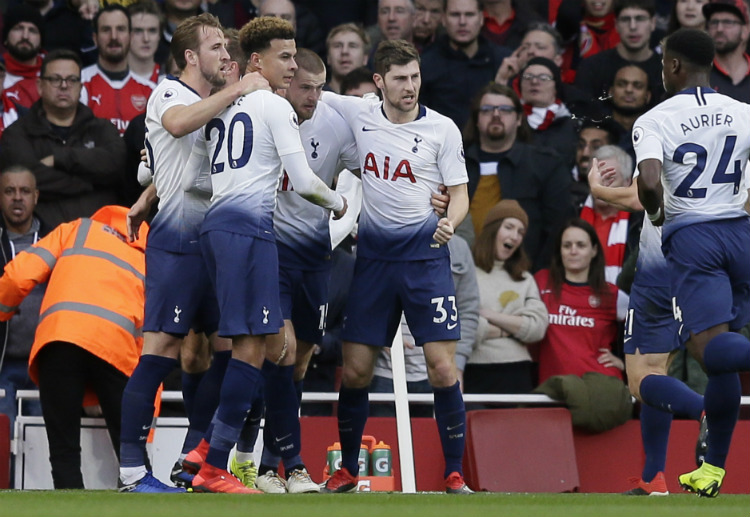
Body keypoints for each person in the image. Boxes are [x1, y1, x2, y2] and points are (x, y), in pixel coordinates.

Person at [185, 16, 346, 495]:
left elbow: (195, 178)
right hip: (249, 233)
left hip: (217, 227)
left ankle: (204, 454)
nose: (293, 67)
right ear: (255, 60)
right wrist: (341, 204)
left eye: (295, 57)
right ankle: (212, 462)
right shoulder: (275, 109)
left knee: (253, 347)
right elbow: (305, 181)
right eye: (285, 57)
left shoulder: (222, 108)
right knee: (253, 350)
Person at [117, 13, 268, 494]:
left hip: (216, 247)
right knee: (160, 350)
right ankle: (131, 471)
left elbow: (184, 164)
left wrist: (150, 190)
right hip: (177, 244)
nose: (227, 55)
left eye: (228, 47)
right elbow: (178, 127)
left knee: (223, 348)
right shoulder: (170, 93)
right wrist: (238, 88)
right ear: (190, 56)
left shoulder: (214, 105)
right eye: (217, 47)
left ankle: (195, 459)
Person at [318, 39, 472, 495]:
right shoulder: (358, 113)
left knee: (443, 369)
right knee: (358, 369)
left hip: (426, 261)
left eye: (416, 77)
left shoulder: (443, 129)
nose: (411, 87)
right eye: (401, 79)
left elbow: (459, 192)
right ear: (379, 82)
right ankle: (347, 469)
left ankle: (453, 473)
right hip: (375, 262)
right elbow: (309, 89)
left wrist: (451, 220)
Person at [227, 47, 360, 495]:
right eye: (306, 87)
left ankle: (266, 461)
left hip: (315, 257)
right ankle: (291, 464)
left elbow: (372, 173)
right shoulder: (265, 116)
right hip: (271, 250)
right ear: (286, 82)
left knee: (299, 360)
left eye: (321, 88)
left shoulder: (336, 126)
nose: (314, 97)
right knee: (279, 349)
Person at [635, 27, 750, 498]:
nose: (662, 71)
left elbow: (647, 183)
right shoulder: (744, 112)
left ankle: (712, 466)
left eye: (663, 63)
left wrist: (661, 216)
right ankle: (713, 469)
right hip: (741, 233)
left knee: (709, 351)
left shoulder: (654, 119)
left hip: (693, 237)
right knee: (726, 363)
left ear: (675, 66)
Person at [0, 205, 148, 489]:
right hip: (115, 348)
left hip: (59, 340)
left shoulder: (77, 229)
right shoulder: (149, 254)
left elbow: (19, 276)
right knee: (132, 458)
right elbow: (155, 337)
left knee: (64, 451)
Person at [587, 154, 706, 496]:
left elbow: (644, 193)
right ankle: (653, 476)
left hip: (660, 274)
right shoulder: (733, 144)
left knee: (642, 380)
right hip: (709, 272)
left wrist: (597, 187)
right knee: (660, 372)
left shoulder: (666, 131)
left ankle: (705, 411)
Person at [0, 49, 127, 228]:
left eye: (72, 80)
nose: (64, 85)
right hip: (43, 239)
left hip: (101, 238)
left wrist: (60, 158)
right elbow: (27, 183)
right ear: (39, 86)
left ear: (80, 88)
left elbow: (116, 164)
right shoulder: (17, 134)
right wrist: (91, 180)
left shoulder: (102, 129)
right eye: (55, 79)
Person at [462, 82, 573, 270]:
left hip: (522, 275)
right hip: (462, 272)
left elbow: (557, 228)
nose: (496, 115)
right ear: (476, 119)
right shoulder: (455, 164)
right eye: (487, 109)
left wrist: (536, 275)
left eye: (505, 109)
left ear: (519, 119)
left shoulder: (545, 164)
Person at [466, 200, 548, 398]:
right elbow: (464, 327)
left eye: (520, 232)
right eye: (509, 227)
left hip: (516, 372)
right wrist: (511, 329)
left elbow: (537, 327)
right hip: (474, 371)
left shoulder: (525, 278)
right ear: (492, 229)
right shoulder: (467, 273)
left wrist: (489, 315)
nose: (515, 236)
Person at [534, 218, 629, 385]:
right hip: (551, 388)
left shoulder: (611, 294)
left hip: (599, 386)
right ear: (560, 251)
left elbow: (651, 323)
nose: (573, 251)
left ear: (593, 251)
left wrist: (626, 363)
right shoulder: (541, 282)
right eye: (567, 245)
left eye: (581, 245)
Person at [0, 166, 48, 444]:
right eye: (9, 191)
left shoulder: (56, 242)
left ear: (36, 196)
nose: (17, 198)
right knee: (2, 444)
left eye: (24, 191)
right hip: (2, 364)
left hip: (44, 364)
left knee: (42, 444)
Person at [419, 0, 511, 130]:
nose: (462, 22)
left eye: (469, 14)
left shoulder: (502, 61)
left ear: (481, 18)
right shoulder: (425, 64)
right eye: (455, 15)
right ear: (443, 19)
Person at [80, 4, 156, 136]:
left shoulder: (151, 90)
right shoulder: (80, 82)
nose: (114, 36)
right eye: (106, 30)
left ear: (131, 37)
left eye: (120, 29)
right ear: (95, 38)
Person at [575, 0, 664, 108]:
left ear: (653, 23)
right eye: (625, 19)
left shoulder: (666, 70)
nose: (633, 26)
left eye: (640, 19)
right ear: (616, 24)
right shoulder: (591, 67)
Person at [580, 145, 641, 284]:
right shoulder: (572, 214)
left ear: (627, 182)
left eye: (610, 178)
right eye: (598, 177)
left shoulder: (641, 223)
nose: (601, 184)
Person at [518, 57, 577, 168]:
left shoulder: (571, 125)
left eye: (543, 78)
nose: (534, 81)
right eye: (528, 77)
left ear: (555, 87)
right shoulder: (511, 120)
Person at [1, 4, 45, 136]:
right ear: (6, 39)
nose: (25, 36)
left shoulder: (55, 76)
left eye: (32, 30)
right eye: (18, 29)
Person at [704, 0, 750, 103]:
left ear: (745, 30)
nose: (719, 29)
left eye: (727, 22)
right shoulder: (699, 73)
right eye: (714, 23)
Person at [324, 23, 371, 94]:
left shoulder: (376, 100)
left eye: (352, 46)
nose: (344, 51)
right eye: (337, 46)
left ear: (365, 58)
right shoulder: (316, 98)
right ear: (328, 57)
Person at [127, 0, 164, 83]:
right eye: (138, 31)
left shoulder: (171, 79)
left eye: (152, 31)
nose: (146, 39)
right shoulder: (107, 78)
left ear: (159, 35)